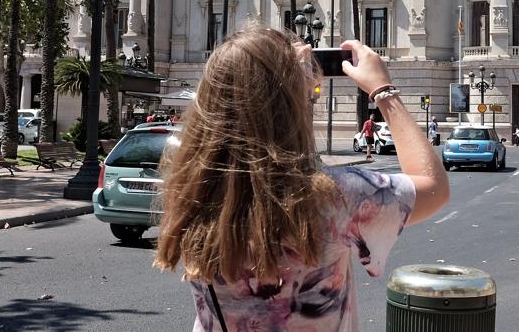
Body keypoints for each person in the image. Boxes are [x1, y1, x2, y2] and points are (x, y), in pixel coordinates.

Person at [154, 32, 449, 330]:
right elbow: (432, 186)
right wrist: (383, 91)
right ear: (291, 104)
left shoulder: (191, 190)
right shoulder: (335, 197)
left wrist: (285, 81)